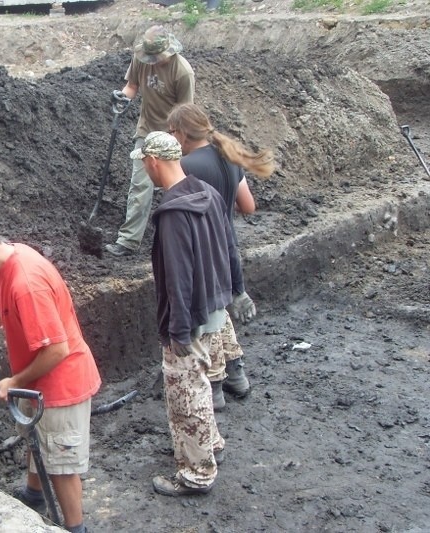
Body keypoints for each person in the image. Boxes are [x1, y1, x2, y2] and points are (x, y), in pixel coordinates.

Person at [0, 209, 101, 533]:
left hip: (60, 385)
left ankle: (75, 527)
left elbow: (57, 350)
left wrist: (14, 381)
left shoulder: (27, 283)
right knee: (35, 440)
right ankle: (33, 495)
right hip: (35, 380)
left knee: (61, 464)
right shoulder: (1, 263)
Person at [133, 131, 256, 496]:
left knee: (186, 396)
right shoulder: (208, 193)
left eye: (144, 163)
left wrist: (179, 331)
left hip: (190, 318)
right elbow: (229, 245)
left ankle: (196, 473)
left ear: (154, 161)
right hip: (214, 309)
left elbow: (178, 277)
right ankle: (211, 444)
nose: (145, 170)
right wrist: (234, 291)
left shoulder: (172, 213)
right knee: (202, 383)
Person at [167, 103, 275, 410]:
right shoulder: (229, 157)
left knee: (206, 316)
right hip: (228, 249)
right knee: (219, 310)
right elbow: (248, 206)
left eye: (172, 132)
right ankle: (236, 373)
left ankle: (212, 385)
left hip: (202, 253)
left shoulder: (186, 166)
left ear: (182, 133)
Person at [105, 26, 195, 257]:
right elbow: (132, 86)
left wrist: (176, 142)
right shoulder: (140, 59)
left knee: (175, 186)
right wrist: (122, 98)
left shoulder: (183, 72)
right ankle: (128, 240)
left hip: (173, 133)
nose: (153, 62)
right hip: (146, 129)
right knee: (140, 184)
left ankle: (183, 236)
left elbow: (185, 113)